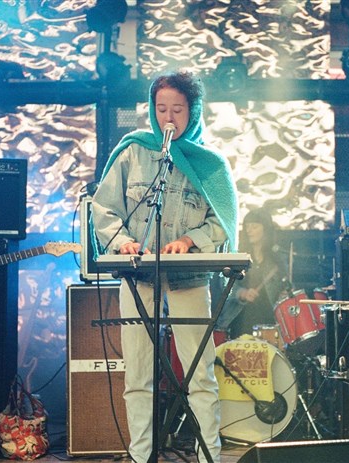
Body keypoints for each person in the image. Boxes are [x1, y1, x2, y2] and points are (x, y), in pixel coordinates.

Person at [91, 70, 238, 463]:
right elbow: (104, 208)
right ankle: (141, 457)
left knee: (199, 373)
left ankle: (209, 456)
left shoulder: (210, 164)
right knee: (138, 374)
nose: (168, 118)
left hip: (189, 276)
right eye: (161, 109)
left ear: (194, 111)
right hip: (138, 275)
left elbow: (221, 222)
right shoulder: (133, 151)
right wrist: (122, 241)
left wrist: (189, 240)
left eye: (177, 109)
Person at [216, 207, 288, 339]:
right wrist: (241, 293)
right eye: (247, 227)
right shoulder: (237, 254)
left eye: (254, 227)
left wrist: (284, 294)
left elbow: (285, 286)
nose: (249, 231)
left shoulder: (276, 258)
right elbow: (223, 283)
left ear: (265, 229)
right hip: (240, 318)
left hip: (269, 320)